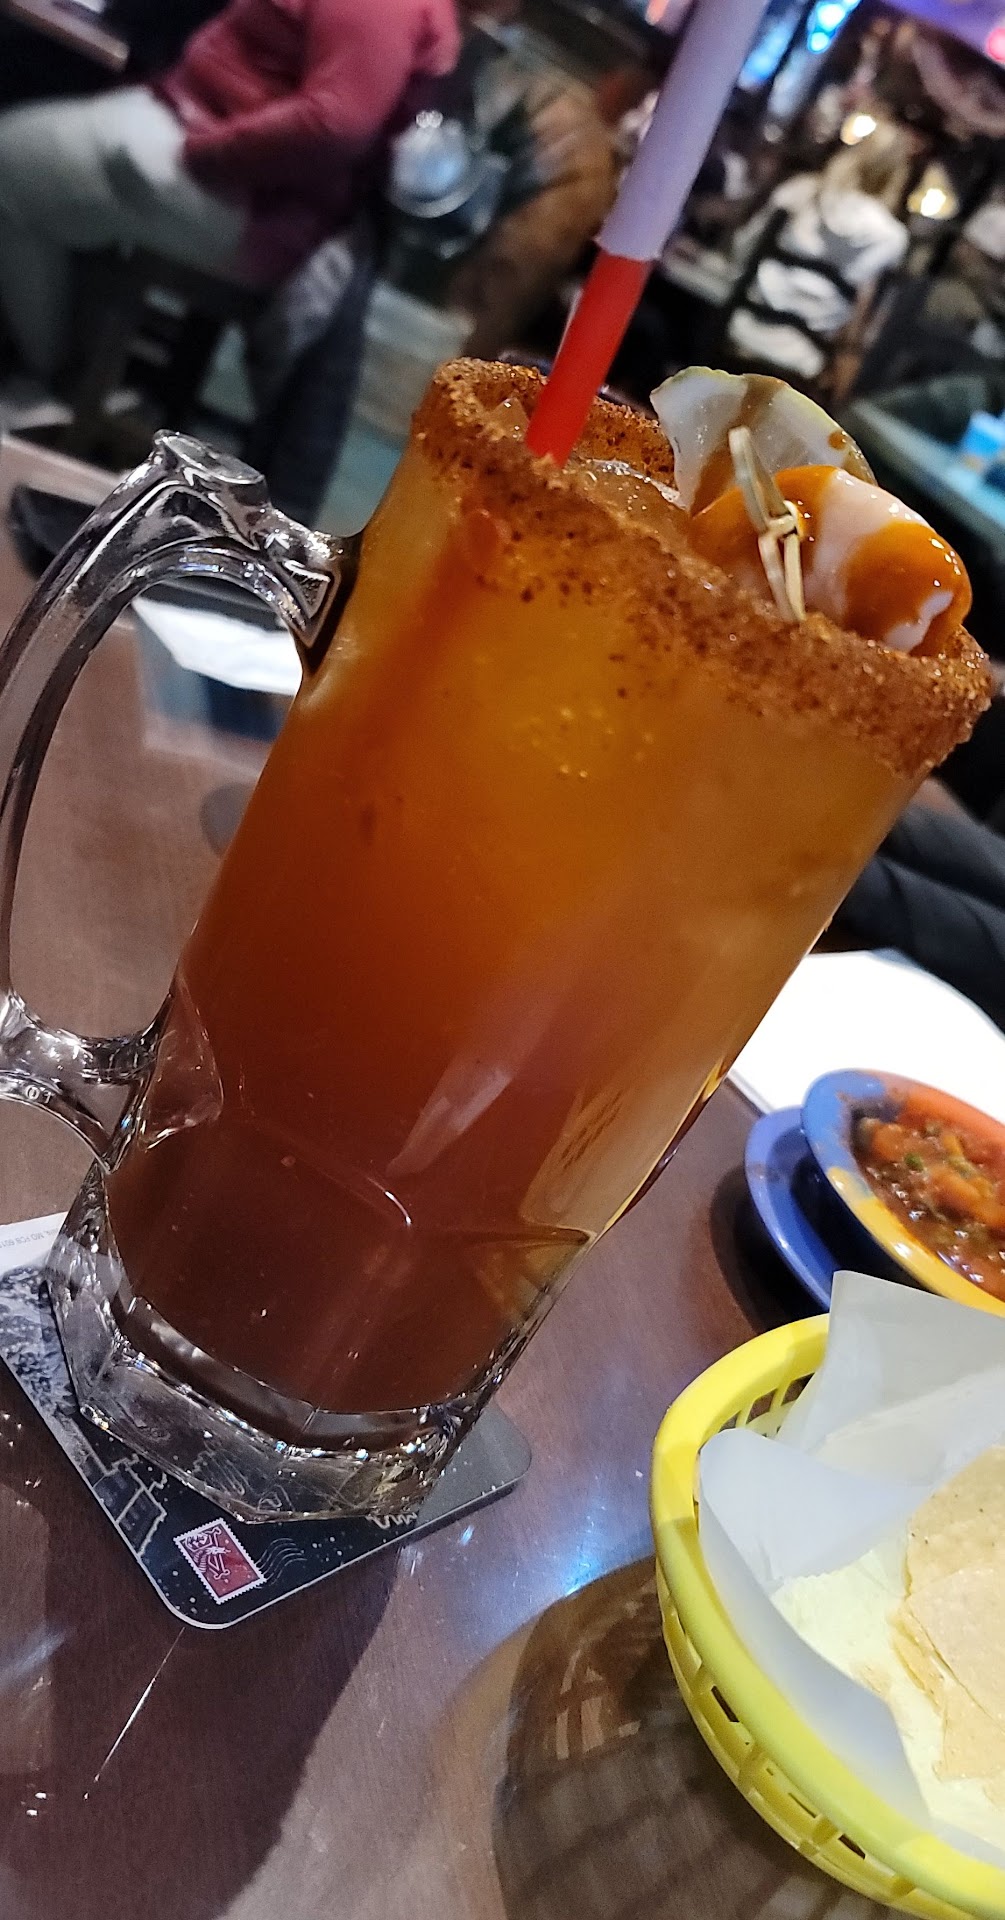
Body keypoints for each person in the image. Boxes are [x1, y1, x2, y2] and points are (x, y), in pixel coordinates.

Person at [0, 0, 460, 384]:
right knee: (47, 153)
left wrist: (206, 154)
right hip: (213, 152)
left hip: (248, 201)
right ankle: (74, 360)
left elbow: (335, 125)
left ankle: (46, 378)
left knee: (9, 167)